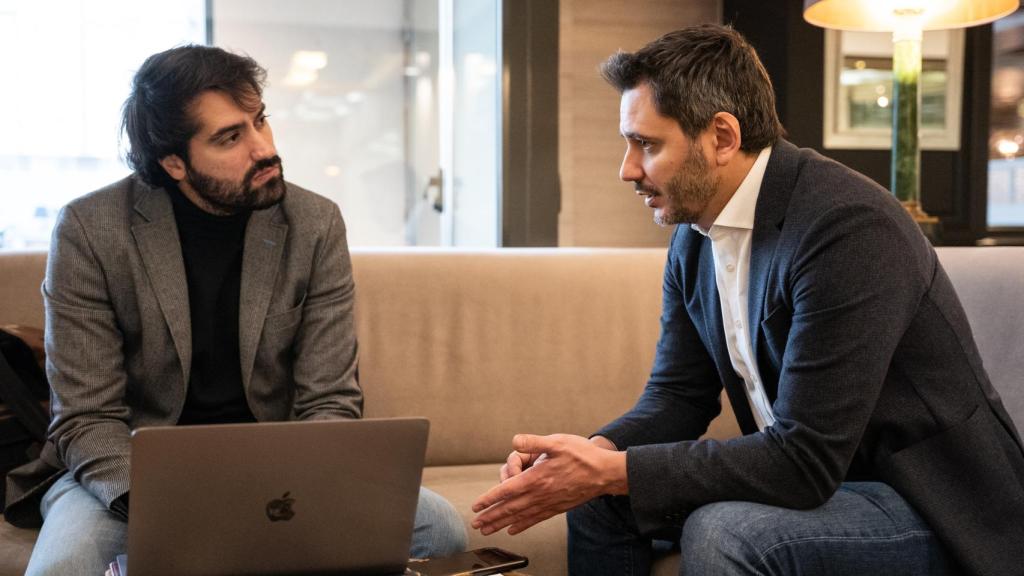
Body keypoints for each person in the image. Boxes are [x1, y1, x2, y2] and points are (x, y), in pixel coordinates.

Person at [470, 24, 1024, 576]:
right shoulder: (694, 237)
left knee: (729, 532)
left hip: (933, 504)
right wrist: (589, 455)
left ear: (723, 137)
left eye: (647, 144)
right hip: (826, 481)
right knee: (597, 502)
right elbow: (677, 397)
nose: (627, 169)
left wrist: (612, 469)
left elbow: (803, 460)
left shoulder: (848, 229)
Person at [4, 45, 466, 576]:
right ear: (173, 162)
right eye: (230, 137)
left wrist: (298, 489)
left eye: (260, 121)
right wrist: (168, 508)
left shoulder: (314, 223)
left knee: (442, 531)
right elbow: (87, 416)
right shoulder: (91, 229)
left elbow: (331, 399)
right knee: (64, 568)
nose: (263, 148)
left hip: (276, 469)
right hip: (131, 475)